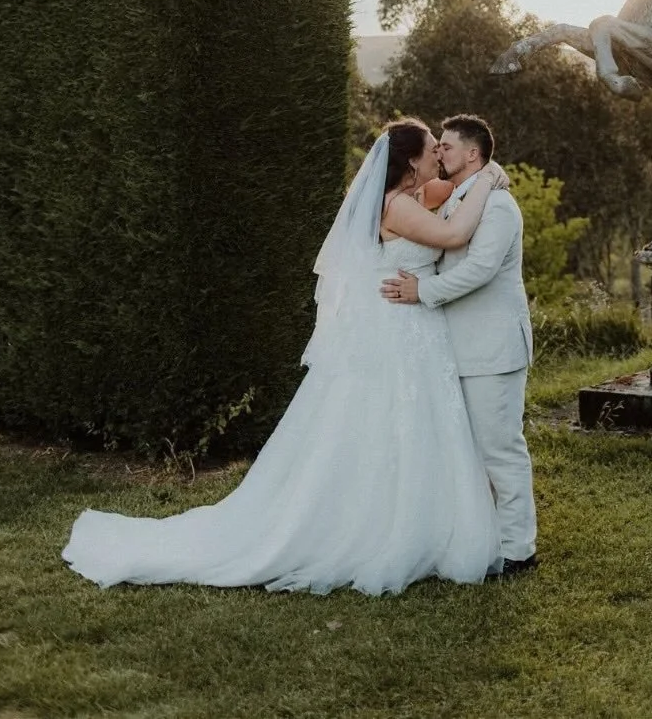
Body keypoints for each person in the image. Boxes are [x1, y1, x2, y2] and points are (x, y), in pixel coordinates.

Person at [62, 118, 510, 595]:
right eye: (430, 150)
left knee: (419, 427)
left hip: (417, 330)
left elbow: (451, 188)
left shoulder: (421, 194)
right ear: (410, 163)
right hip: (396, 331)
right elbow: (456, 235)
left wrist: (484, 172)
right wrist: (487, 178)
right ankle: (376, 526)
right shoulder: (394, 206)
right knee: (385, 427)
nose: (438, 157)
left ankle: (426, 519)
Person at [381, 114, 537, 576]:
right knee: (469, 452)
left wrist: (421, 292)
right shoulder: (454, 199)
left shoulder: (500, 206)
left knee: (500, 448)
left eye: (446, 146)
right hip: (454, 349)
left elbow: (481, 268)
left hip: (491, 348)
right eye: (436, 146)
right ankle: (485, 536)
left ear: (473, 154)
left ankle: (519, 549)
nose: (439, 152)